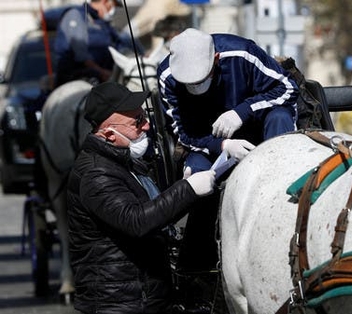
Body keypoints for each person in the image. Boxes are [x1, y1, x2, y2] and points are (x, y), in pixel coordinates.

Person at [66, 81, 216, 314]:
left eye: (145, 116)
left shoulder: (123, 162)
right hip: (120, 303)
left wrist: (182, 189)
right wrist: (187, 189)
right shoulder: (96, 174)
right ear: (109, 134)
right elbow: (137, 221)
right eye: (137, 122)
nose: (146, 126)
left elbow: (151, 207)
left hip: (144, 296)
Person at [157, 27, 299, 177]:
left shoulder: (243, 53)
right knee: (195, 173)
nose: (195, 86)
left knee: (280, 117)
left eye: (201, 79)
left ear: (216, 59)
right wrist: (224, 145)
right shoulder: (167, 77)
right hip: (210, 142)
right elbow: (183, 133)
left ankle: (283, 177)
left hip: (261, 128)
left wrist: (243, 111)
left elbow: (288, 88)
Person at [53, 0, 135, 87]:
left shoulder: (104, 24)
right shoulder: (75, 15)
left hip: (106, 77)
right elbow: (81, 54)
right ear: (105, 1)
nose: (113, 10)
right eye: (112, 6)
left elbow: (120, 46)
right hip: (77, 78)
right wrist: (101, 72)